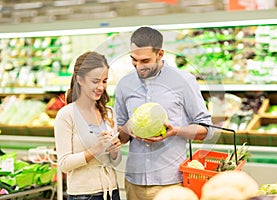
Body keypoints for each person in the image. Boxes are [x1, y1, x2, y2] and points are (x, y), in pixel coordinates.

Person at [114, 26, 213, 200]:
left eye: (145, 61)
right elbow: (121, 137)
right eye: (134, 60)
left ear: (160, 54)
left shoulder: (184, 81)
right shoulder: (124, 84)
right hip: (134, 181)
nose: (138, 66)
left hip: (171, 182)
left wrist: (176, 131)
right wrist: (127, 129)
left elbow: (206, 130)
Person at [54, 51, 122, 200]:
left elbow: (115, 161)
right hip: (83, 195)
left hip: (112, 192)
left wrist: (115, 151)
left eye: (104, 81)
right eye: (95, 81)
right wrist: (97, 148)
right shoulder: (66, 115)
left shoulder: (108, 112)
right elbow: (64, 164)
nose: (100, 87)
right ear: (80, 80)